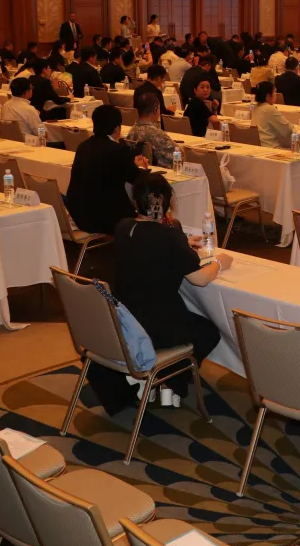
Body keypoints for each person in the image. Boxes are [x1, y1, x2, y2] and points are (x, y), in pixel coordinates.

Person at [86, 173, 228, 414]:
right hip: (156, 327)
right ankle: (170, 379)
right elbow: (201, 279)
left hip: (123, 320)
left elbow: (146, 243)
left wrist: (182, 243)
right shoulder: (170, 236)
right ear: (168, 204)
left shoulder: (122, 227)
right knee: (208, 332)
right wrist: (220, 263)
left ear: (135, 203)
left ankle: (161, 380)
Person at [66, 105, 150, 234]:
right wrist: (140, 167)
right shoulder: (118, 150)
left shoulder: (83, 146)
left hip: (79, 214)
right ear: (117, 129)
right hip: (105, 218)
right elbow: (137, 179)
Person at [126, 93, 179, 168]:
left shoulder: (132, 131)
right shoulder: (157, 134)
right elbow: (178, 154)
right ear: (155, 110)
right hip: (157, 172)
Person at [251, 81, 295, 149]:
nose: (275, 94)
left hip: (258, 146)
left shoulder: (254, 107)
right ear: (268, 96)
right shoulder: (270, 109)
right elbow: (287, 130)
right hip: (271, 146)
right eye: (274, 92)